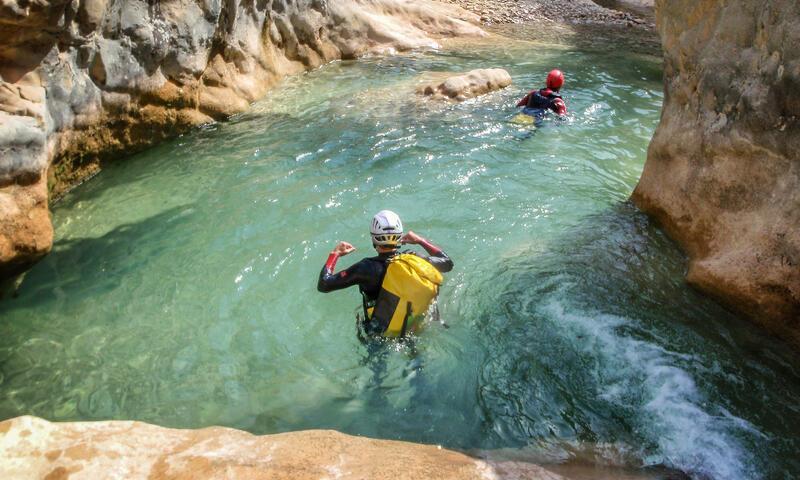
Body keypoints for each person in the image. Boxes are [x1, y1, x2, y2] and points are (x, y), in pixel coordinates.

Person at [317, 210, 453, 338]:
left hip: (379, 332)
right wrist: (420, 241)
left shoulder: (366, 268)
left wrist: (334, 254)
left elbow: (324, 284)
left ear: (373, 238)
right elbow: (447, 262)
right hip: (410, 326)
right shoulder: (413, 259)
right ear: (399, 236)